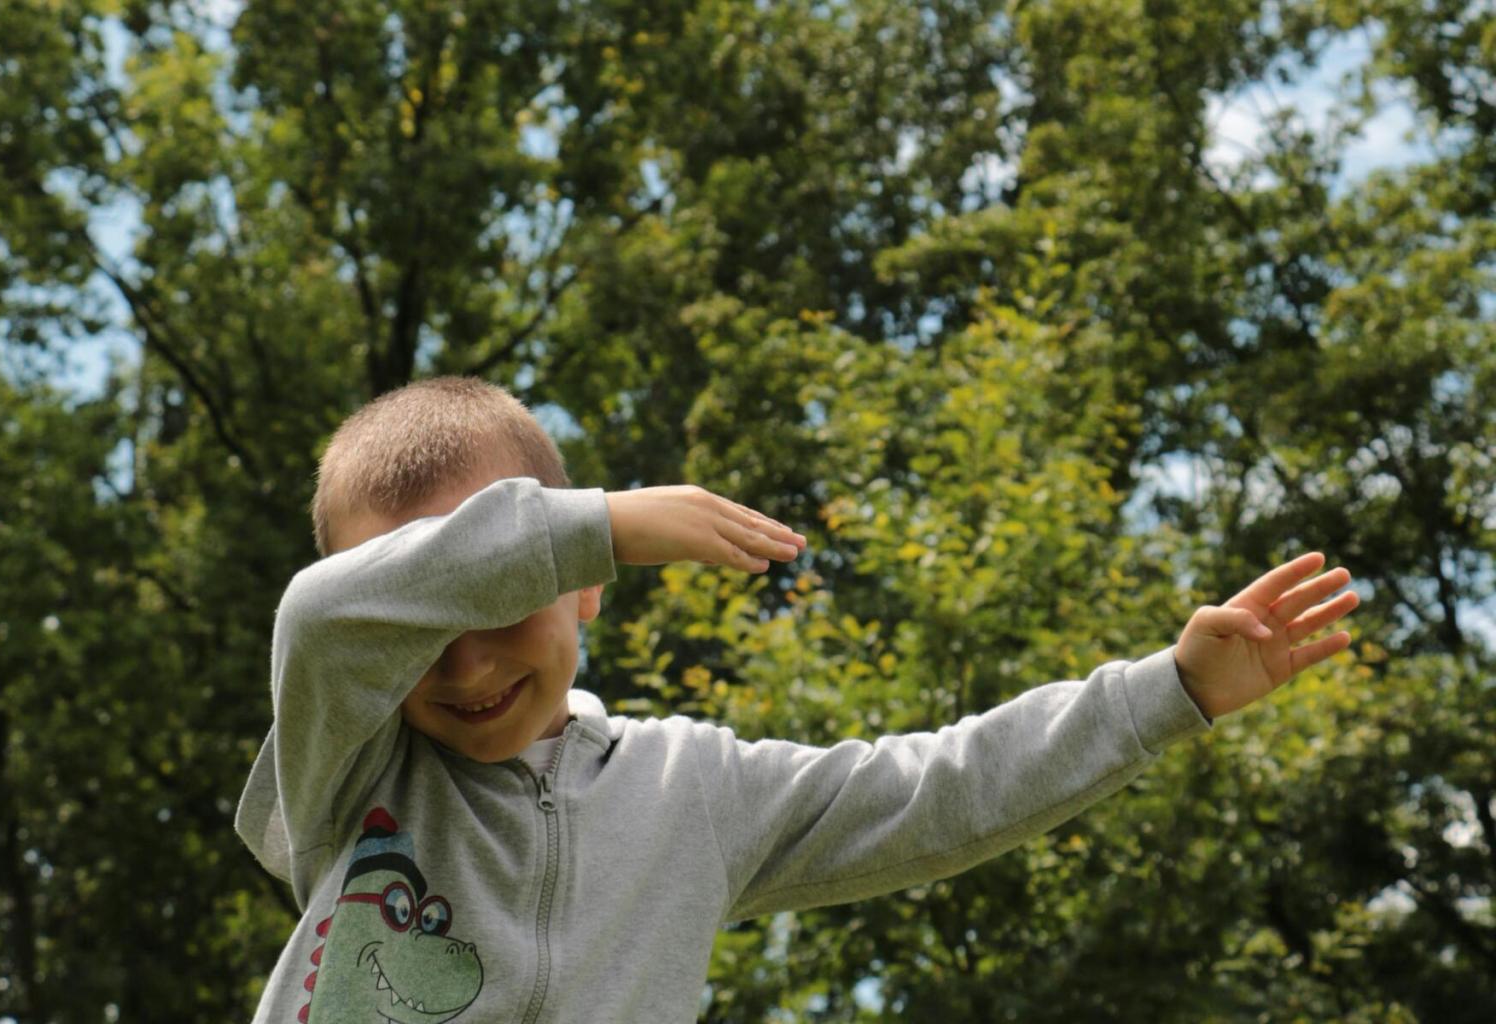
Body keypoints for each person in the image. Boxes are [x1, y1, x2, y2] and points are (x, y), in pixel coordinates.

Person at [234, 375, 1360, 1023]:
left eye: (504, 602)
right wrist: (602, 524)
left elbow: (939, 793)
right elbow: (322, 619)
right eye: (426, 623)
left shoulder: (693, 790)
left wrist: (1166, 693)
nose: (468, 666)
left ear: (581, 595)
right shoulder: (355, 762)